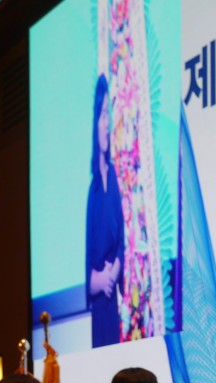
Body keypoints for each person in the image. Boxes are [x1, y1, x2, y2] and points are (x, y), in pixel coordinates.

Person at [86, 73, 124, 348]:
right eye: (102, 116)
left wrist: (115, 271)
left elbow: (122, 240)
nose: (106, 123)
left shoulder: (115, 178)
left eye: (109, 115)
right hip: (100, 302)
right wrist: (98, 281)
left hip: (116, 294)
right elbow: (87, 258)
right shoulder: (93, 188)